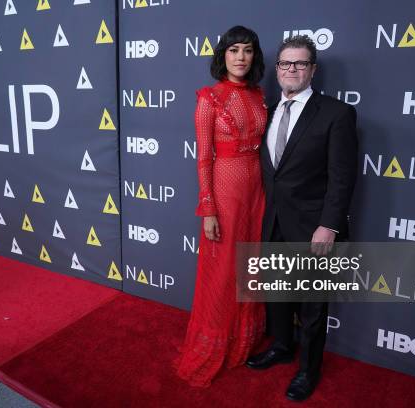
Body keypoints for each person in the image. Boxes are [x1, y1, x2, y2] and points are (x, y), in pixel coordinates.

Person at [245, 35, 358, 401]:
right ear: (277, 69)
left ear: (312, 70)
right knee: (277, 296)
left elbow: (342, 178)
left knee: (311, 306)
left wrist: (330, 226)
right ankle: (281, 347)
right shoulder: (269, 109)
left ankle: (309, 369)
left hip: (314, 228)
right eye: (285, 63)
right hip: (273, 221)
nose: (291, 69)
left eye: (300, 63)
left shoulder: (336, 114)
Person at [175, 26, 267, 387]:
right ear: (223, 56)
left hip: (258, 191)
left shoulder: (260, 95)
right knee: (225, 269)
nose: (241, 57)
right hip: (226, 191)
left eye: (247, 50)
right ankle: (218, 343)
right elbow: (203, 159)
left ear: (254, 56)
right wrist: (208, 209)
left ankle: (244, 341)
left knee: (252, 263)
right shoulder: (209, 98)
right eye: (234, 50)